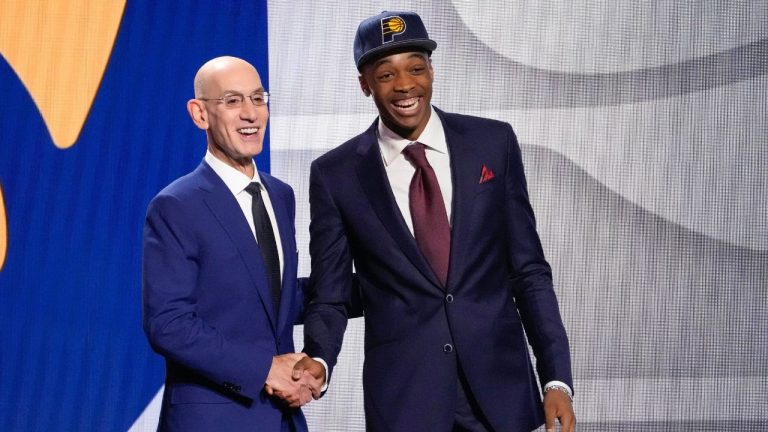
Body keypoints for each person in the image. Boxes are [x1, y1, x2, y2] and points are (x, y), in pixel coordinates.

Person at [294, 11, 576, 432]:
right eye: (386, 74)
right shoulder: (336, 175)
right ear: (364, 84)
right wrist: (319, 357)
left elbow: (529, 271)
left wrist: (556, 378)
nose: (405, 84)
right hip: (406, 401)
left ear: (432, 71)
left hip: (501, 395)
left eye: (416, 68)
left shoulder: (492, 143)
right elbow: (331, 292)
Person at [142, 56, 319, 432]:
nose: (251, 114)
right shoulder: (176, 205)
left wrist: (375, 285)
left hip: (282, 419)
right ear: (200, 114)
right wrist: (265, 369)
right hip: (213, 418)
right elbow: (169, 324)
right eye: (233, 101)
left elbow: (274, 300)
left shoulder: (280, 195)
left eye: (258, 98)